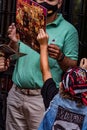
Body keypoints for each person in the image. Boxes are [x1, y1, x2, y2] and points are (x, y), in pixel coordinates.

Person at [6, 0, 79, 129]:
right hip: (16, 94)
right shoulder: (25, 21)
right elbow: (14, 57)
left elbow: (72, 68)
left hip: (42, 99)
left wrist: (60, 57)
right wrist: (13, 42)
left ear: (59, 3)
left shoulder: (69, 30)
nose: (44, 2)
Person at [37, 28, 87, 130]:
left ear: (61, 85)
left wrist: (43, 45)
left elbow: (45, 71)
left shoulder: (52, 98)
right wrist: (83, 73)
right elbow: (79, 86)